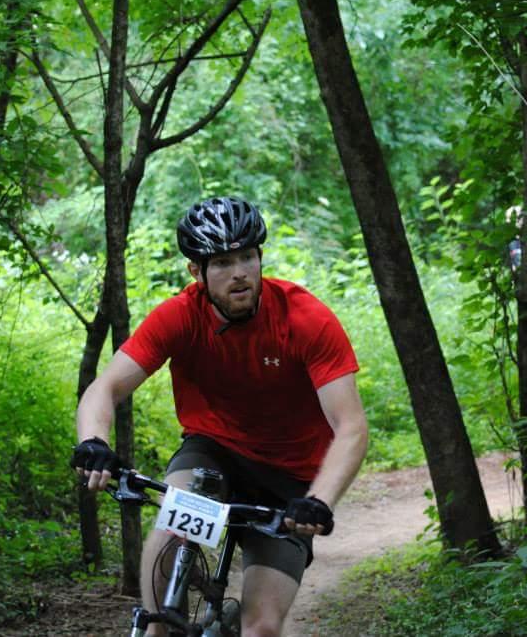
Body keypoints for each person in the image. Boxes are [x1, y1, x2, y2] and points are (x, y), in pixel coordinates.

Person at [71, 197, 369, 637]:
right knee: (173, 527)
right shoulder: (179, 316)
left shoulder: (305, 319)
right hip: (213, 452)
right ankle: (157, 629)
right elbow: (106, 387)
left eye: (248, 257)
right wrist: (94, 441)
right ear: (197, 272)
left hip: (289, 481)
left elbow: (351, 427)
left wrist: (319, 501)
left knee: (262, 627)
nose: (240, 273)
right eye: (224, 262)